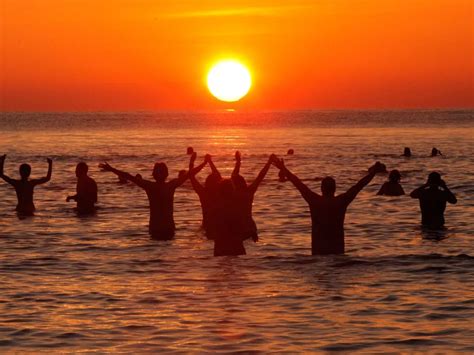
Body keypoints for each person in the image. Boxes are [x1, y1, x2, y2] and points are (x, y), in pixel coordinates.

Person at [272, 156, 386, 255]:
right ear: (335, 189)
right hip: (338, 253)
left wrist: (284, 169)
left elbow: (298, 183)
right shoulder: (341, 201)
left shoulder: (314, 201)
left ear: (321, 189)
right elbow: (358, 186)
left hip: (318, 253)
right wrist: (372, 173)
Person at [99, 157, 205, 240]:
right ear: (166, 174)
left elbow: (128, 176)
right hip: (168, 228)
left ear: (153, 174)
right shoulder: (170, 186)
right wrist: (204, 163)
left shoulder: (151, 186)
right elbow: (189, 174)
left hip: (156, 228)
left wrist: (112, 169)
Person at [231, 151, 274, 242]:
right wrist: (269, 163)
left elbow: (234, 175)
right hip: (250, 226)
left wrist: (238, 161)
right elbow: (260, 176)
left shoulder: (232, 194)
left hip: (239, 227)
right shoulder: (249, 192)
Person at [188, 153, 222, 239]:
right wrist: (209, 162)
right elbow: (218, 175)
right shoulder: (221, 193)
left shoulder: (204, 194)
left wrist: (192, 162)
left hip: (207, 226)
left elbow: (191, 176)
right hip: (219, 226)